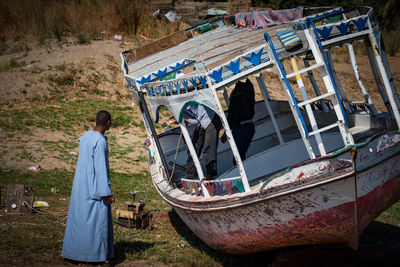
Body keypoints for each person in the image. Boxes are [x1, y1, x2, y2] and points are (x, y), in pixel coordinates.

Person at [61, 110, 114, 263]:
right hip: (94, 187)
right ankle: (94, 255)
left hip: (81, 185)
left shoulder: (85, 136)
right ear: (108, 123)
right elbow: (100, 168)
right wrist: (107, 192)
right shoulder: (100, 141)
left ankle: (73, 252)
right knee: (96, 222)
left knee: (79, 220)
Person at [182, 103, 222, 180]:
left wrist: (183, 120)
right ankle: (190, 177)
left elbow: (201, 114)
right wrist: (184, 121)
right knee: (192, 149)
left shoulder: (188, 101)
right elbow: (195, 121)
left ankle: (210, 177)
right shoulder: (181, 110)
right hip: (201, 123)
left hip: (211, 118)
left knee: (208, 148)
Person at [222, 78, 256, 163]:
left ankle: (243, 174)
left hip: (244, 126)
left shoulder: (244, 88)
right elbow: (231, 113)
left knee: (238, 157)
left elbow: (232, 113)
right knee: (238, 156)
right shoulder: (236, 91)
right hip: (238, 127)